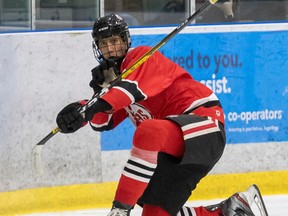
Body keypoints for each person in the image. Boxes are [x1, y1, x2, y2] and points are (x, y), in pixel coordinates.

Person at [56, 14, 267, 216]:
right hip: (173, 147)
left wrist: (94, 104)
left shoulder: (141, 57)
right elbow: (104, 121)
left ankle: (120, 210)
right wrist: (82, 109)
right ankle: (232, 211)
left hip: (205, 124)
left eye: (114, 41)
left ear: (125, 40)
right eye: (104, 44)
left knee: (149, 130)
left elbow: (128, 91)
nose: (110, 49)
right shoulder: (115, 87)